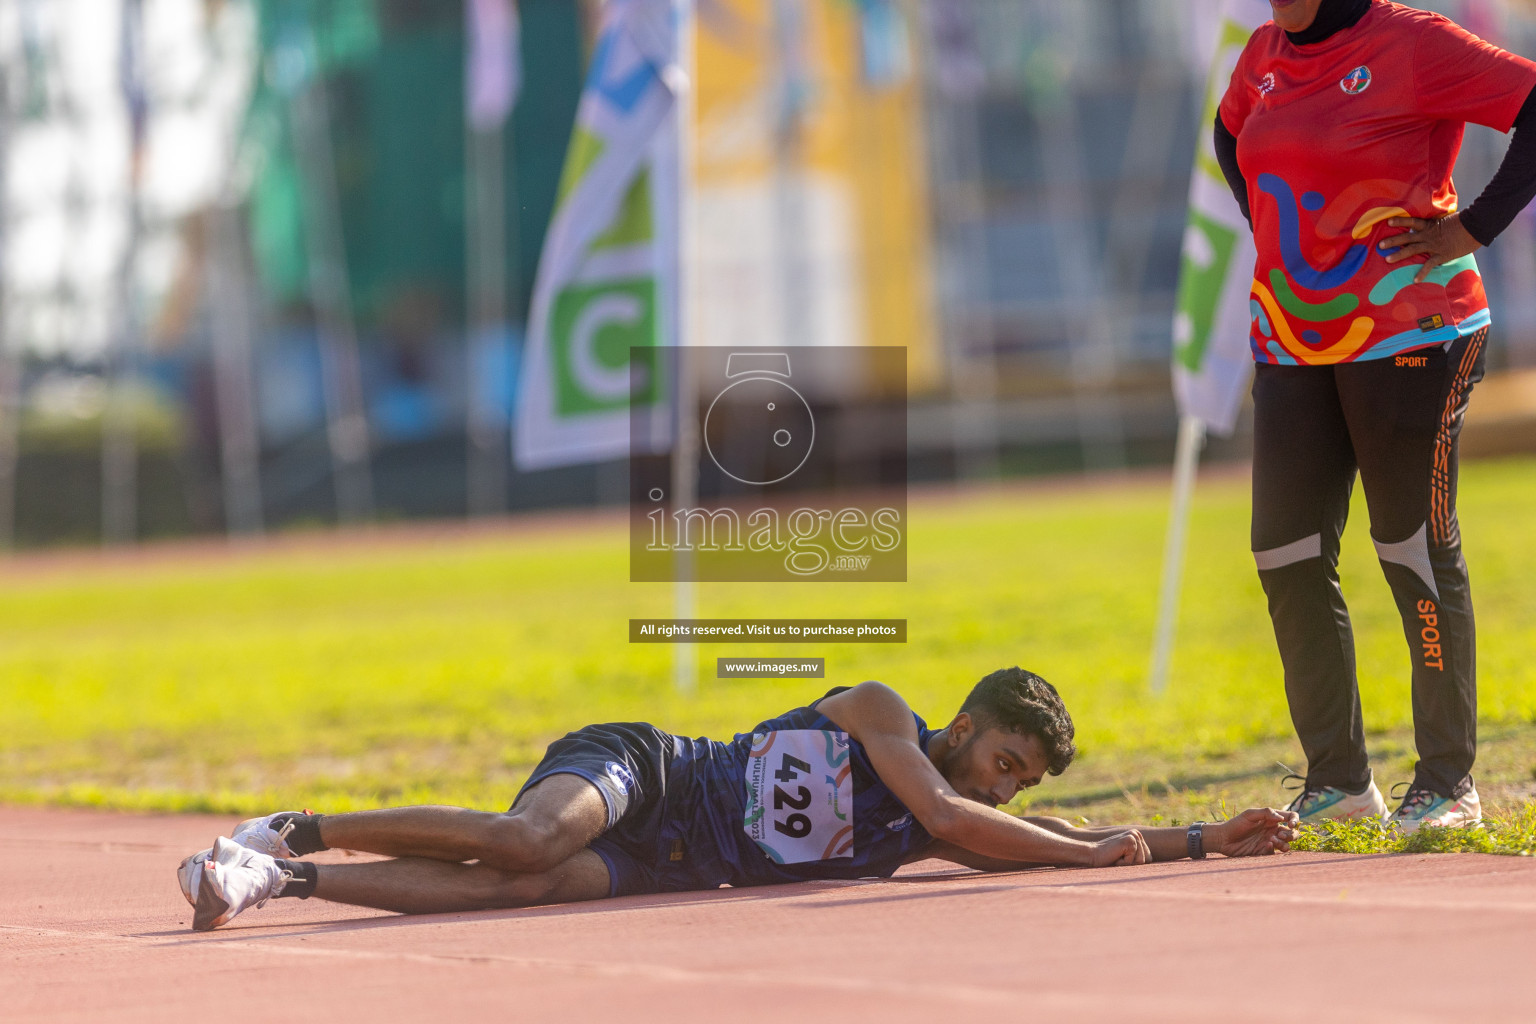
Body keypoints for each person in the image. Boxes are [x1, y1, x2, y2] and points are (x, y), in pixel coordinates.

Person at [177, 668, 1298, 931]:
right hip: (650, 770)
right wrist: (1076, 850)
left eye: (1021, 779)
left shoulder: (932, 827)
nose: (1003, 784)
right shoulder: (883, 713)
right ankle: (296, 821)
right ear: (966, 728)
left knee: (514, 895)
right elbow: (980, 826)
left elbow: (1045, 836)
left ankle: (280, 876)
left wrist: (1203, 838)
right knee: (527, 841)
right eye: (1004, 758)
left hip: (674, 863)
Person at [1214, 0, 1536, 829]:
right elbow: (1230, 134)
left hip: (1413, 330)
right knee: (1284, 552)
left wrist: (1474, 225)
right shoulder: (1262, 53)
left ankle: (1446, 784)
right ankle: (1341, 782)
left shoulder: (1413, 42)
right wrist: (1282, 240)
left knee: (1410, 548)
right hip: (1289, 340)